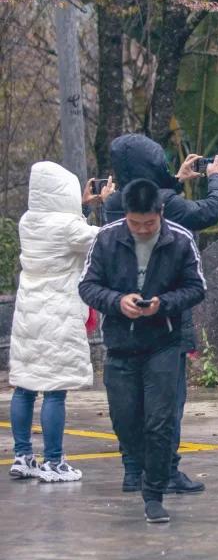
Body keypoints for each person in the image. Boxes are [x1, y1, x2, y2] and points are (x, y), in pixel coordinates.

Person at [103, 133, 218, 495]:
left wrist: (175, 180)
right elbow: (209, 212)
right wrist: (216, 178)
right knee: (166, 402)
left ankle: (132, 471)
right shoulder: (165, 206)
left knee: (129, 403)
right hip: (166, 315)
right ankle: (166, 471)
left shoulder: (116, 203)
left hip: (123, 321)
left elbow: (153, 194)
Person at [78, 179, 207, 524]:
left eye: (149, 224)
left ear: (160, 213)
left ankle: (154, 493)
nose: (142, 230)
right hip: (120, 344)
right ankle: (138, 467)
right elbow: (87, 286)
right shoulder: (107, 237)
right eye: (135, 224)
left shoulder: (180, 239)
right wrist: (117, 302)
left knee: (161, 421)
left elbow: (197, 288)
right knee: (125, 421)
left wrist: (162, 305)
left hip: (163, 343)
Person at [8, 163, 114, 482]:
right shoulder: (69, 226)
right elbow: (102, 239)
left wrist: (81, 207)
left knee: (25, 385)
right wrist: (108, 203)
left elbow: (64, 228)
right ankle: (54, 461)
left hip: (28, 312)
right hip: (59, 311)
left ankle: (23, 455)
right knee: (55, 389)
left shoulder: (28, 221)